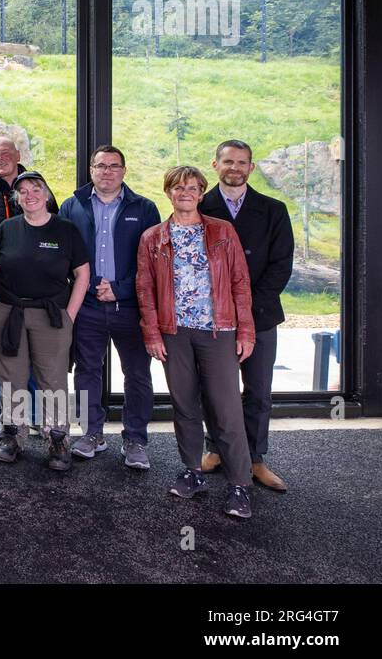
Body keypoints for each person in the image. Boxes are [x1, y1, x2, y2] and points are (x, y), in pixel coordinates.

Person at [135, 165, 257, 520]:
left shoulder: (221, 232)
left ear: (201, 193)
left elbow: (239, 283)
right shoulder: (152, 238)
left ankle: (239, 484)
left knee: (226, 409)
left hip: (217, 331)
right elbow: (145, 290)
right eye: (177, 187)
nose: (184, 193)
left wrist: (245, 331)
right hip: (175, 333)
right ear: (168, 192)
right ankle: (192, 470)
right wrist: (152, 333)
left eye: (192, 187)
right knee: (185, 405)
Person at [200, 140, 295, 492]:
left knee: (258, 390)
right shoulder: (198, 206)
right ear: (215, 164)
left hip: (260, 314)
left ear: (251, 168)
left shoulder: (273, 209)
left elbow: (281, 265)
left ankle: (255, 458)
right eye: (228, 161)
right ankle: (216, 449)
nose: (235, 168)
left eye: (242, 162)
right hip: (213, 316)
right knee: (215, 389)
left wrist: (247, 306)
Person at [58, 145, 162, 469]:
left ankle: (135, 439)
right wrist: (86, 289)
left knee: (136, 373)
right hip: (87, 305)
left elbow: (152, 264)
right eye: (100, 166)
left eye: (114, 166)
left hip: (129, 307)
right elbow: (64, 257)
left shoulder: (144, 209)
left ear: (124, 171)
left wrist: (119, 290)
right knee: (87, 370)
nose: (107, 171)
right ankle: (92, 433)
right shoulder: (71, 206)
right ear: (91, 170)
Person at [0, 171, 89, 472]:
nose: (29, 195)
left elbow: (82, 273)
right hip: (8, 312)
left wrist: (70, 314)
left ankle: (57, 439)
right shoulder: (7, 228)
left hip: (52, 316)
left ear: (46, 195)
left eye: (35, 189)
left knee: (52, 379)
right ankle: (16, 437)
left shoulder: (65, 230)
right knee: (12, 378)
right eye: (23, 191)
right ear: (18, 198)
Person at [0, 136, 56, 438]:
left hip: (35, 293)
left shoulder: (39, 189)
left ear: (18, 154)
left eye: (5, 152)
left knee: (33, 354)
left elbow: (56, 232)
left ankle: (32, 416)